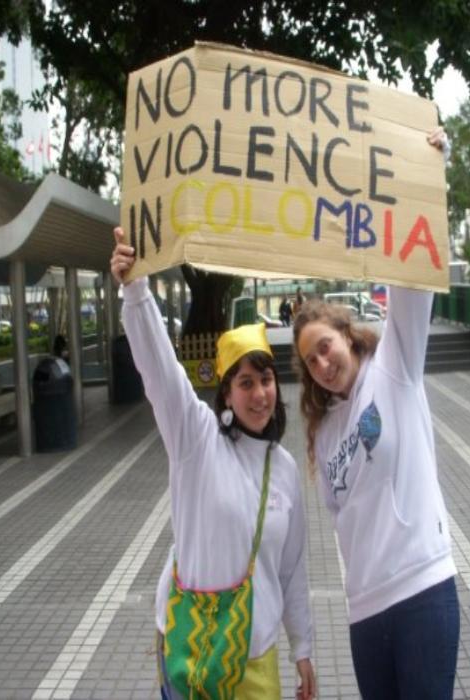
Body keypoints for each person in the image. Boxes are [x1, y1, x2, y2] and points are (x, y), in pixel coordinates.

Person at [110, 228, 316, 700]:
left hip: (256, 660)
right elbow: (160, 369)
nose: (259, 394)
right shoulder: (195, 440)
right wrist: (135, 288)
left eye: (265, 379)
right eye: (244, 383)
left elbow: (292, 571)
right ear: (225, 393)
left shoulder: (282, 468)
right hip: (191, 653)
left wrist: (303, 648)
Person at [292, 128, 459, 699]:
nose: (321, 362)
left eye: (325, 346)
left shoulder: (396, 364)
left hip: (422, 592)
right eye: (309, 360)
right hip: (365, 612)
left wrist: (425, 174)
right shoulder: (323, 430)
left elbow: (412, 274)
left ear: (346, 334)